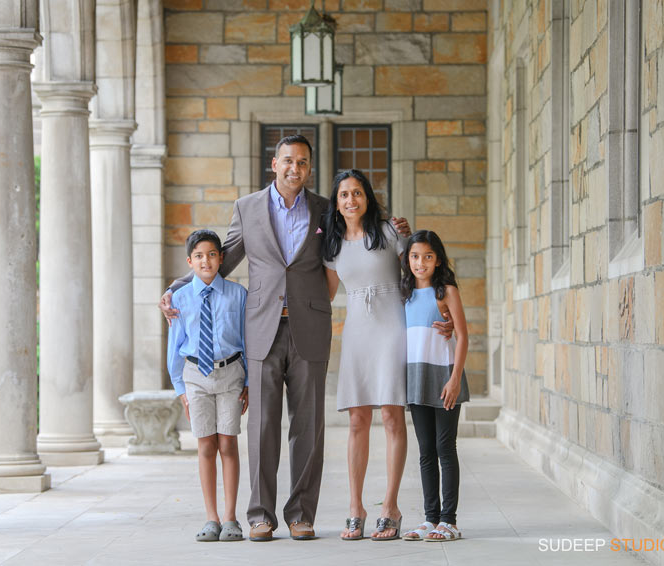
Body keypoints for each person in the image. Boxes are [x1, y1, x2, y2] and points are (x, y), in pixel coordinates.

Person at [160, 135, 411, 541]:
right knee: (261, 425)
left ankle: (300, 514)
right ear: (274, 164)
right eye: (288, 161)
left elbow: (362, 236)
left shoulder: (325, 210)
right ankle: (260, 514)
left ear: (310, 168)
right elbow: (223, 258)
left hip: (309, 326)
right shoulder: (248, 208)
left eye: (304, 163)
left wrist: (399, 229)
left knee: (308, 427)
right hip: (260, 327)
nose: (296, 168)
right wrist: (179, 286)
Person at [322, 169, 408, 541]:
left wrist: (443, 314)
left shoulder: (390, 231)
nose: (351, 200)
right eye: (344, 195)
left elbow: (419, 274)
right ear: (336, 202)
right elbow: (324, 296)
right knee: (358, 419)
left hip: (393, 327)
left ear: (367, 197)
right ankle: (355, 506)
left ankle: (390, 506)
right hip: (356, 331)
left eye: (357, 193)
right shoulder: (332, 244)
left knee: (391, 415)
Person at [166, 230, 249, 542]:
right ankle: (211, 517)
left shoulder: (238, 295)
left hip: (230, 374)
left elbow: (247, 339)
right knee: (205, 446)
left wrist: (250, 382)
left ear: (222, 258)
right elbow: (175, 343)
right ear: (190, 261)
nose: (206, 260)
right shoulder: (179, 298)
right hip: (194, 377)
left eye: (212, 254)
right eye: (199, 255)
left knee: (227, 443)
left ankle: (230, 518)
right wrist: (180, 389)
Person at [399, 230, 470, 542]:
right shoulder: (404, 294)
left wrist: (454, 379)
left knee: (445, 447)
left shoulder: (447, 292)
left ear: (438, 259)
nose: (421, 262)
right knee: (425, 451)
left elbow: (464, 337)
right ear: (408, 259)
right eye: (415, 256)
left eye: (428, 256)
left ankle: (449, 520)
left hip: (444, 377)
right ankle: (430, 519)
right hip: (416, 378)